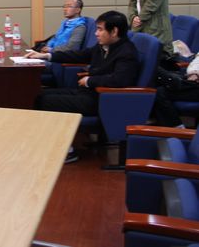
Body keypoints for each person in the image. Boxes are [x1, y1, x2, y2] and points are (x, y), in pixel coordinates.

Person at [26, 10, 140, 162]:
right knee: (38, 94)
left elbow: (120, 80)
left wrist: (89, 81)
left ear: (114, 31)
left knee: (45, 101)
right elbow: (79, 55)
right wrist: (47, 56)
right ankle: (52, 143)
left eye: (100, 29)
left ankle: (67, 151)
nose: (96, 34)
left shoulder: (127, 52)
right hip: (88, 93)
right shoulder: (104, 46)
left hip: (102, 100)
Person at [150, 55, 199, 128]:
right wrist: (194, 73)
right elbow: (196, 61)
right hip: (193, 80)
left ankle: (177, 129)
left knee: (160, 92)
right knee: (159, 83)